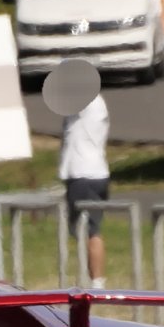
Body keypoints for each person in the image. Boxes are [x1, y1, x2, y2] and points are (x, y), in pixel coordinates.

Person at [58, 91, 110, 288]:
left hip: (83, 173)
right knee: (84, 229)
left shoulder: (86, 99)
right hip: (94, 171)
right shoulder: (95, 102)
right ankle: (94, 279)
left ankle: (96, 283)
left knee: (89, 230)